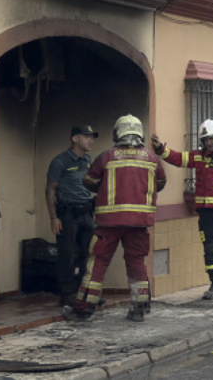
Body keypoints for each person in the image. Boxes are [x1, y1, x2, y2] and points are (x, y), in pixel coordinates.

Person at [64, 114, 166, 323]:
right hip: (139, 223)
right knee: (137, 262)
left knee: (97, 263)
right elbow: (161, 182)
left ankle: (83, 310)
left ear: (117, 133)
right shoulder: (152, 158)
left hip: (108, 224)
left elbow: (89, 181)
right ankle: (139, 307)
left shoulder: (106, 157)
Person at [151, 119, 213, 300]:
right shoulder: (199, 156)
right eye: (206, 139)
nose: (209, 142)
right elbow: (179, 158)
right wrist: (161, 149)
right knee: (210, 249)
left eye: (212, 138)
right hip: (206, 212)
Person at [45, 125, 98, 307]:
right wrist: (54, 217)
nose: (90, 140)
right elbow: (50, 189)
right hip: (67, 214)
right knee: (67, 255)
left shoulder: (88, 160)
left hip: (86, 213)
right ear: (75, 139)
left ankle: (83, 294)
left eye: (92, 137)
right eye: (86, 137)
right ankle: (67, 294)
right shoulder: (60, 161)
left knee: (87, 255)